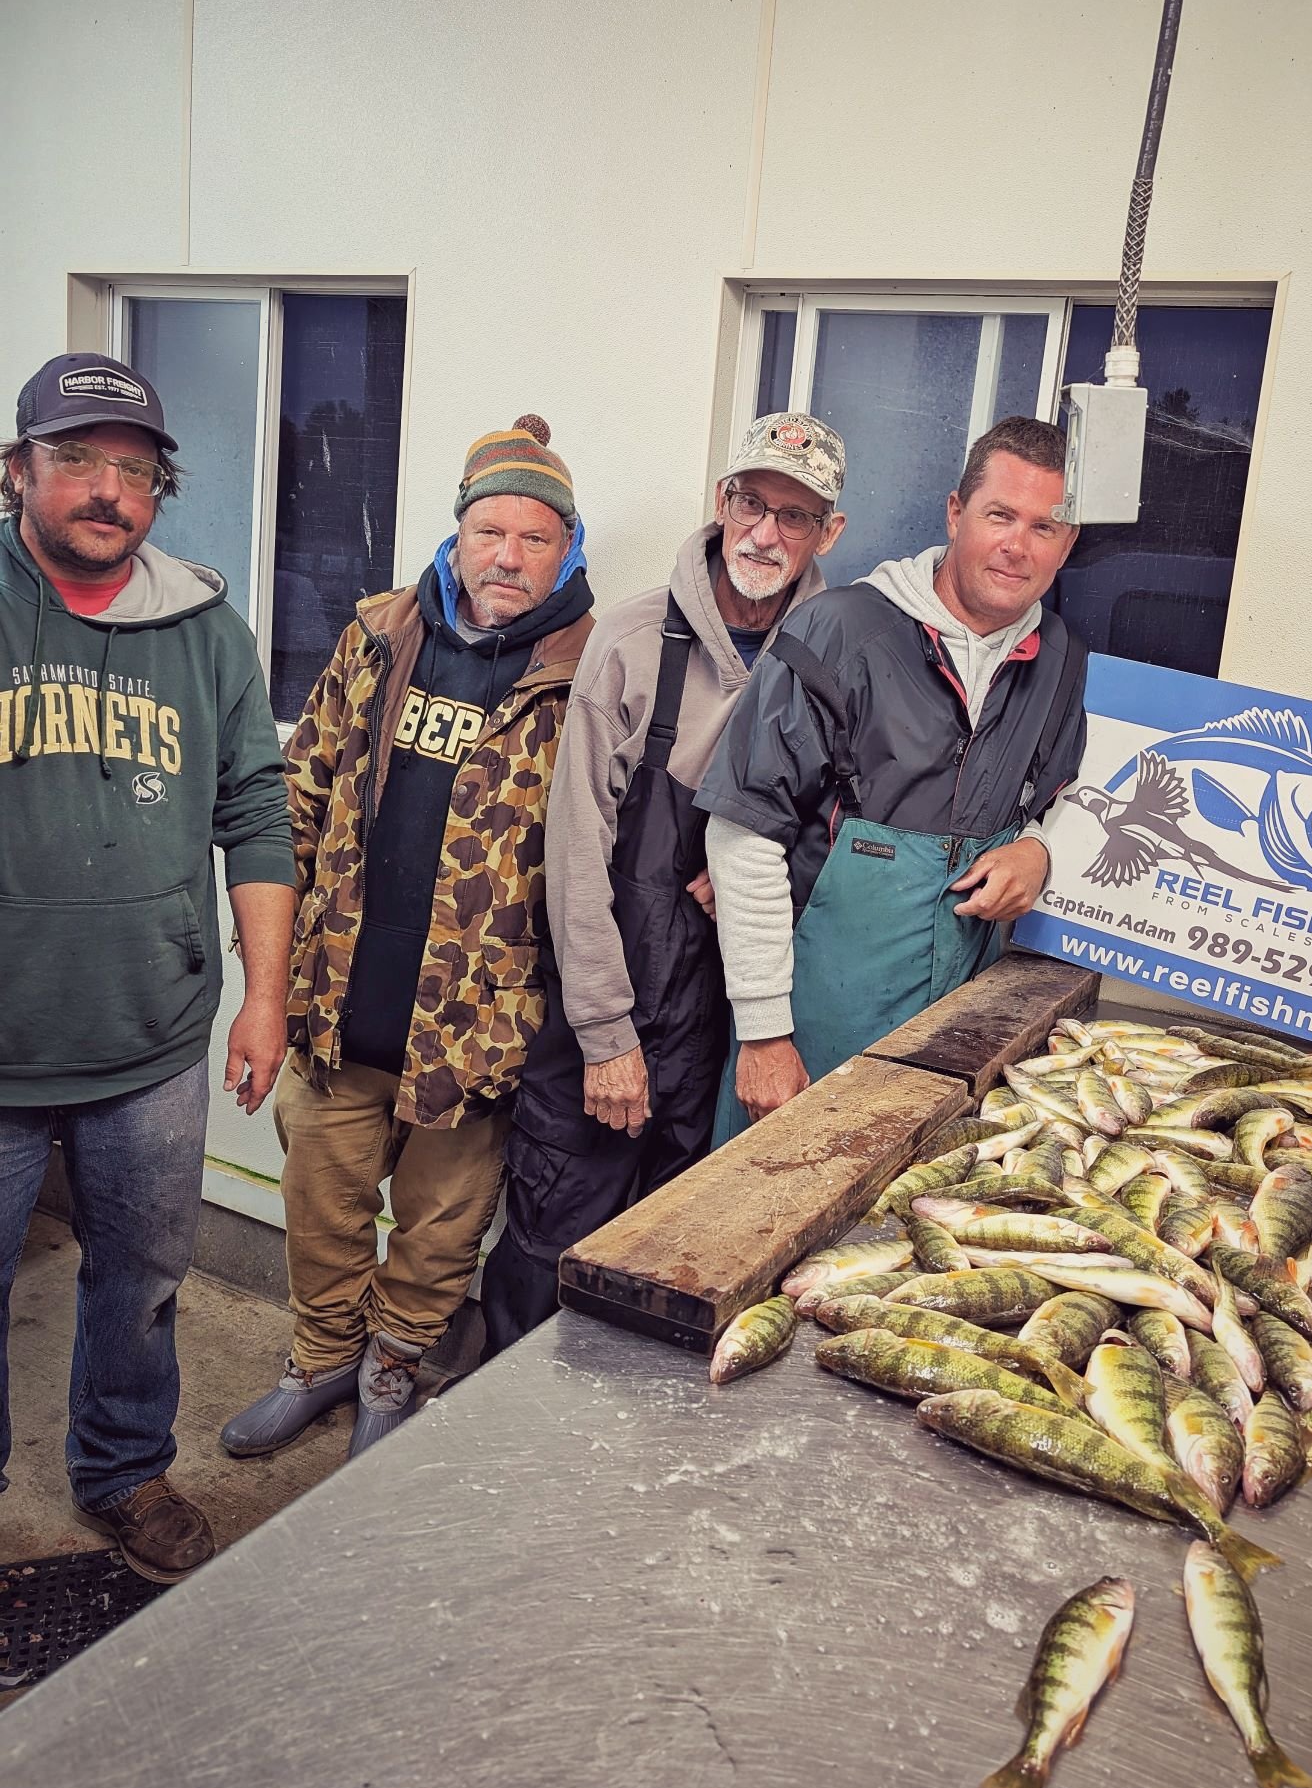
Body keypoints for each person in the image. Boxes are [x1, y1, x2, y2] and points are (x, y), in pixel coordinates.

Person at [221, 417, 594, 1460]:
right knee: (320, 1205)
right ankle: (322, 1358)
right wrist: (273, 976)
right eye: (489, 531)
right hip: (342, 1006)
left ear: (568, 545)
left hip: (479, 1030)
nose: (508, 557)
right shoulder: (379, 636)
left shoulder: (589, 668)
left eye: (533, 536)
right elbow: (301, 798)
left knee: (439, 1231)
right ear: (458, 534)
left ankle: (393, 1370)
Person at [0, 352, 295, 1583]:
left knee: (143, 1283)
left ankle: (122, 1471)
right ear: (18, 470)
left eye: (133, 469)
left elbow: (257, 810)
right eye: (77, 460)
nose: (107, 491)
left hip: (152, 1040)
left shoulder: (206, 631)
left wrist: (265, 996)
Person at [478, 413, 847, 1353]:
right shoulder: (636, 640)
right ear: (722, 505)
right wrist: (605, 1037)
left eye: (795, 517)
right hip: (611, 984)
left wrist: (769, 865)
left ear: (828, 533)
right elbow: (571, 852)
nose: (766, 534)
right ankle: (497, 1430)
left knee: (671, 1238)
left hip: (725, 1007)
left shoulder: (840, 654)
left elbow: (852, 809)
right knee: (554, 1224)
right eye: (752, 505)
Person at [697, 414, 1088, 1139]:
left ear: (1069, 543)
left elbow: (1061, 794)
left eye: (1045, 527)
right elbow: (743, 832)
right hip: (813, 1025)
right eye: (1000, 515)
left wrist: (1039, 849)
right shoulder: (837, 633)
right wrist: (762, 1035)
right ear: (955, 512)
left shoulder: (1059, 652)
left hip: (959, 1027)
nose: (1017, 545)